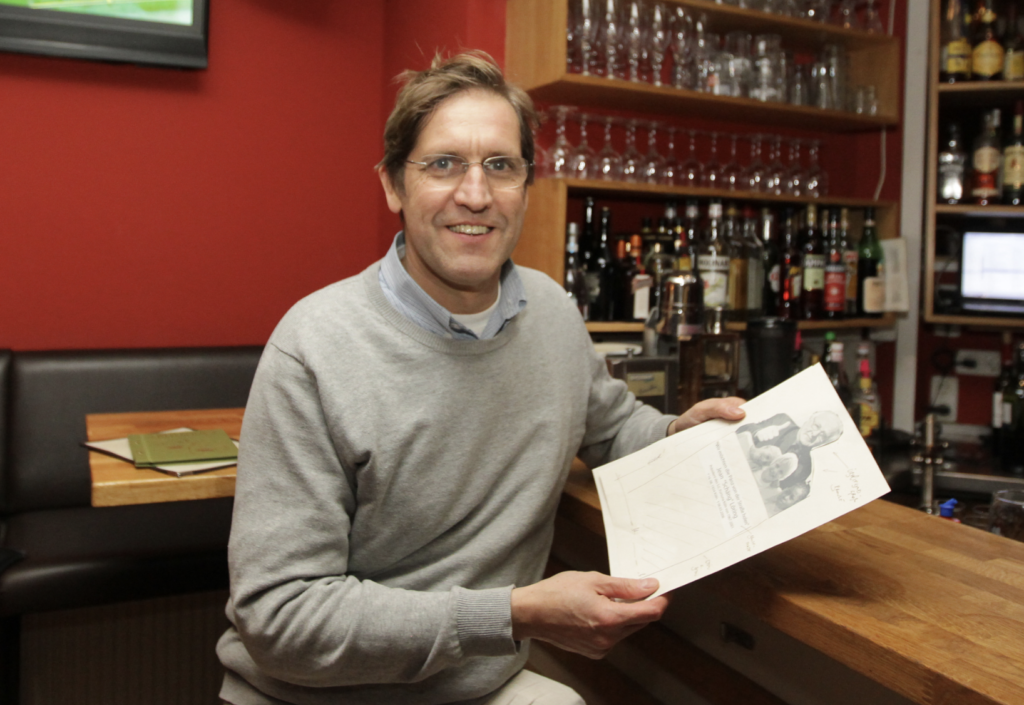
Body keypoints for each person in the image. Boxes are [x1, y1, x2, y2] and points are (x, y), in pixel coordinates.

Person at [216, 51, 745, 705]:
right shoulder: (313, 348)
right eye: (443, 164)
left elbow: (613, 426)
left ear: (525, 185)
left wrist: (676, 433)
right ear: (392, 185)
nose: (475, 194)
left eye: (500, 165)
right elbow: (281, 618)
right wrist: (511, 614)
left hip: (471, 684)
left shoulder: (551, 311)